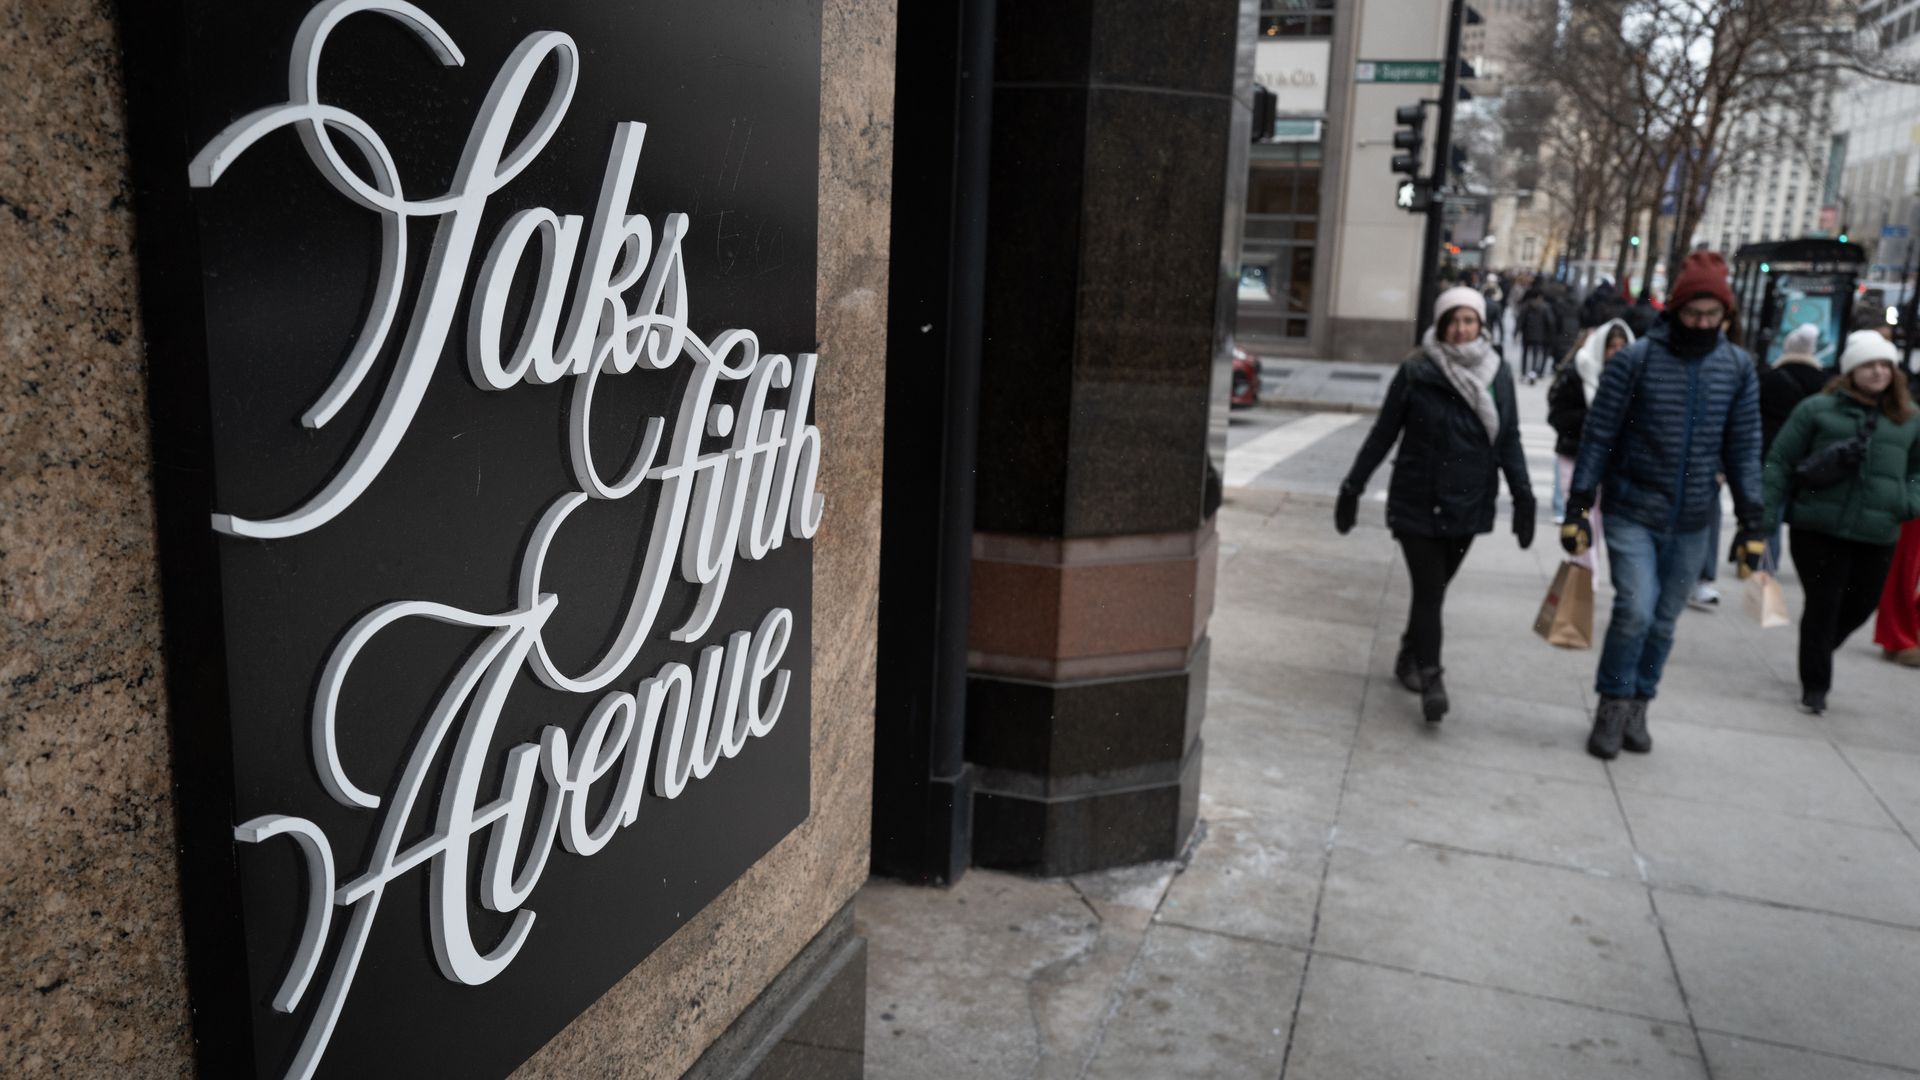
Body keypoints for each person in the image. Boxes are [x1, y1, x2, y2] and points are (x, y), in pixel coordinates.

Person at [1563, 250, 1766, 759]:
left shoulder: (1737, 368)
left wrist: (1751, 520)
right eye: (1693, 313)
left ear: (1726, 316)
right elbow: (1600, 436)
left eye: (1711, 315)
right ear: (1675, 309)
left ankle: (1639, 703)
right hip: (1633, 507)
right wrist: (1580, 505)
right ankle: (1612, 701)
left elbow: (1743, 447)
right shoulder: (1635, 361)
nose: (1701, 323)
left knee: (1664, 620)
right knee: (1634, 608)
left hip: (1695, 517)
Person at [1336, 286, 1535, 724]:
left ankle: (1410, 654)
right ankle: (1432, 675)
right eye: (1454, 321)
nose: (1461, 329)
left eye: (1469, 321)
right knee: (1429, 591)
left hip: (1469, 502)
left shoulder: (1498, 374)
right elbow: (1384, 433)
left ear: (1481, 325)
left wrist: (1524, 497)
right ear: (1441, 325)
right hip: (1417, 499)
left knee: (1435, 590)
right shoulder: (1416, 370)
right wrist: (1353, 486)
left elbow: (1509, 439)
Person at [1763, 330, 1920, 712]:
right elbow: (1780, 461)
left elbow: (1917, 470)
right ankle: (1815, 686)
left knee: (1861, 605)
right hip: (1817, 527)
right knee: (1823, 603)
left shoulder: (1909, 418)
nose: (1878, 372)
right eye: (1869, 365)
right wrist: (1764, 517)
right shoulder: (1817, 409)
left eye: (1885, 365)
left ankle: (1817, 649)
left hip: (1878, 530)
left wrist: (1908, 502)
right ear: (1851, 370)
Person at [1547, 317, 1634, 568]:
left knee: (1602, 523)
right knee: (1583, 523)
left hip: (1613, 463)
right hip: (1575, 456)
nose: (1617, 353)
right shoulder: (1579, 372)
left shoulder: (1635, 379)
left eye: (1622, 346)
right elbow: (1557, 415)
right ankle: (1586, 578)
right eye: (1612, 346)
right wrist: (1595, 420)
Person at [1519, 290, 1558, 385]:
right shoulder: (1545, 307)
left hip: (1526, 334)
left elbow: (1521, 320)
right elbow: (1550, 322)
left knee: (1525, 354)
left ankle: (1524, 372)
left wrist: (1517, 332)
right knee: (1535, 355)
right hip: (1539, 335)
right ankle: (1533, 373)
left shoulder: (1526, 306)